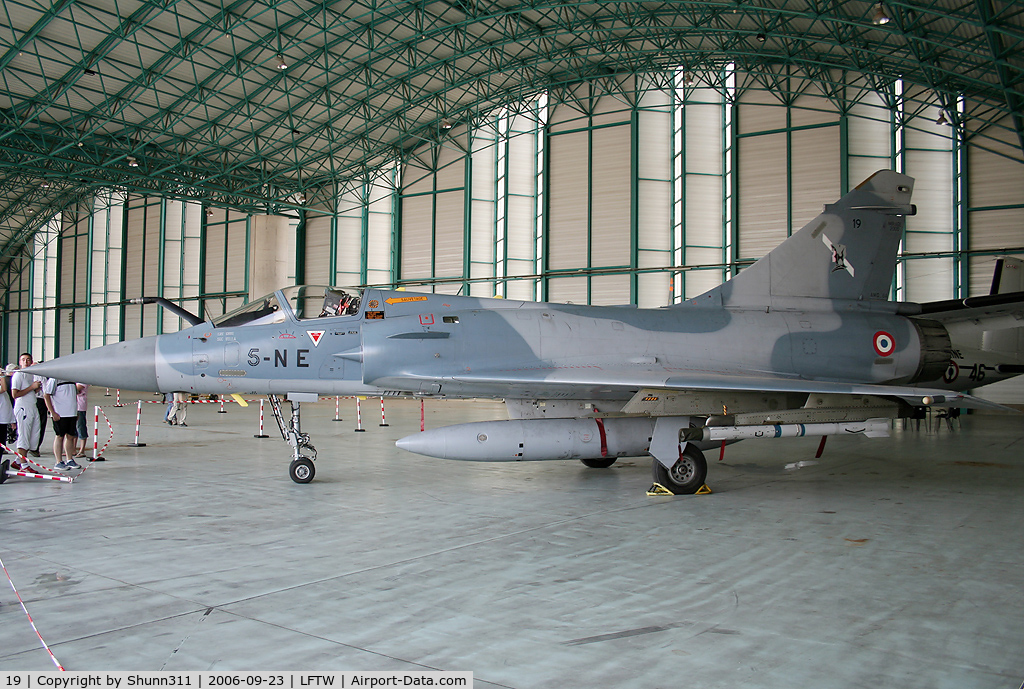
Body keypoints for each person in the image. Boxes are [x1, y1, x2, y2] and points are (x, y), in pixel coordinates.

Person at [10, 353, 42, 470]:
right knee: (24, 435)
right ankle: (24, 464)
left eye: (28, 360)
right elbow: (15, 394)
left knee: (33, 436)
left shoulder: (31, 375)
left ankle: (18, 460)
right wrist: (32, 387)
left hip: (32, 406)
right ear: (20, 362)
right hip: (23, 408)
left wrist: (36, 389)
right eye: (23, 360)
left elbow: (30, 391)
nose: (26, 362)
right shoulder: (19, 375)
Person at [43, 377, 81, 471]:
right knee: (60, 436)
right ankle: (58, 461)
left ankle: (69, 459)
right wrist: (52, 412)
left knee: (70, 436)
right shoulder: (54, 379)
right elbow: (46, 395)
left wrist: (76, 411)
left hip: (71, 413)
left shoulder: (72, 379)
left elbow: (74, 395)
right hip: (60, 413)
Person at [0, 365, 15, 467]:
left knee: (2, 442)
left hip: (3, 417)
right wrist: (1, 376)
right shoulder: (2, 380)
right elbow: (4, 388)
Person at [74, 382, 90, 458]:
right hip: (73, 405)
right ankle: (73, 449)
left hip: (80, 406)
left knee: (81, 427)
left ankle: (82, 450)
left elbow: (76, 389)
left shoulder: (82, 380)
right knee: (73, 428)